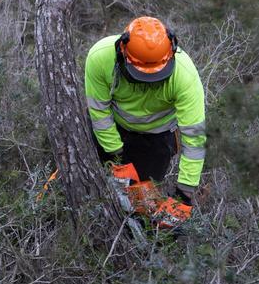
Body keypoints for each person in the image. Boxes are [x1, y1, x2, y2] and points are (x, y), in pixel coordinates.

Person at [83, 16, 207, 229]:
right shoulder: (100, 58)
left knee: (142, 206)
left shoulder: (184, 76)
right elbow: (100, 113)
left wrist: (184, 194)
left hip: (156, 139)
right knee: (85, 181)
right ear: (122, 52)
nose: (147, 82)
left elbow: (194, 139)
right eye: (139, 75)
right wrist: (116, 156)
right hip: (112, 127)